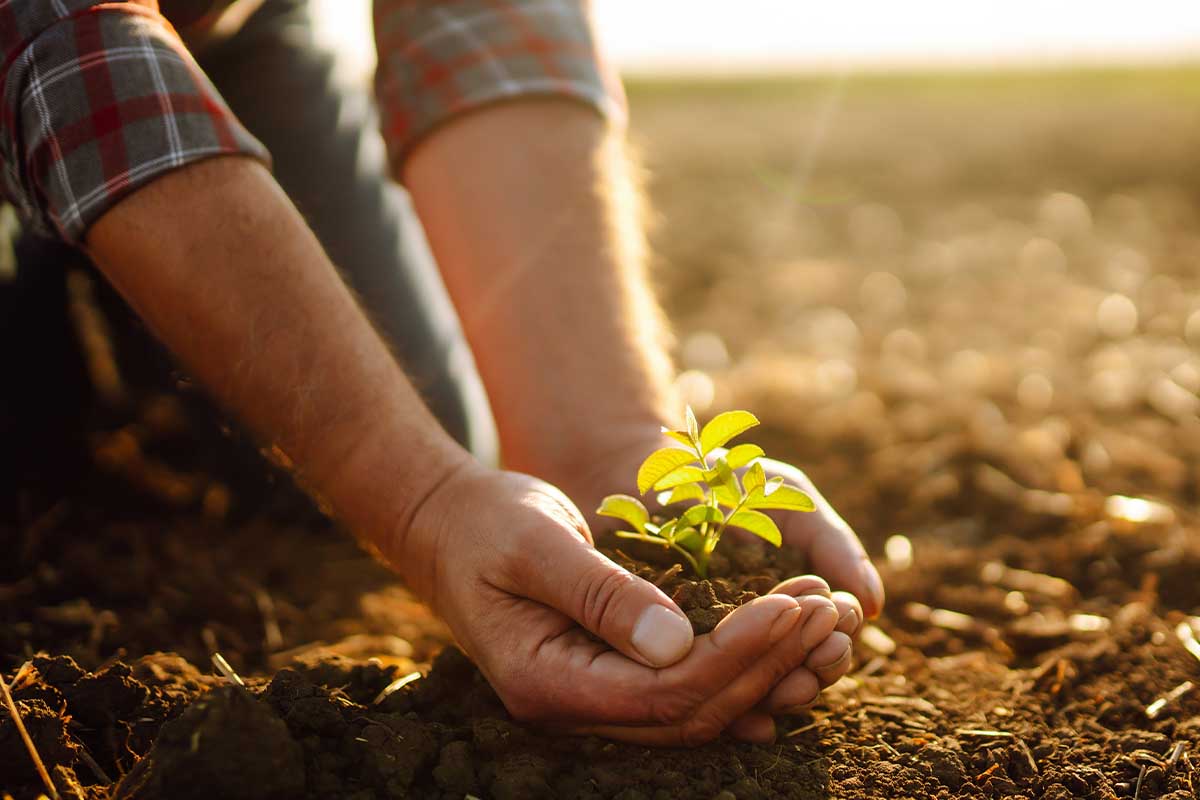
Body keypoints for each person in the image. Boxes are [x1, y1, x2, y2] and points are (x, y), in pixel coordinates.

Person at [0, 0, 884, 745]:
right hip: (51, 36)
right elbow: (59, 42)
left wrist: (602, 437)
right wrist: (420, 504)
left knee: (418, 429)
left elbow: (484, 21)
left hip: (223, 30)